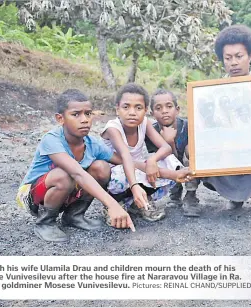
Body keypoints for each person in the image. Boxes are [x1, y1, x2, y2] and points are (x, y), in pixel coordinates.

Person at [182, 24, 251, 216]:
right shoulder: (215, 88)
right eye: (228, 58)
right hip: (229, 150)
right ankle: (234, 197)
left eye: (239, 56)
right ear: (222, 60)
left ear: (250, 56)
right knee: (195, 152)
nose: (233, 63)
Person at [16, 89, 136, 243]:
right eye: (76, 114)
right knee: (64, 175)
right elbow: (78, 173)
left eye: (88, 113)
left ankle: (74, 216)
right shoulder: (52, 140)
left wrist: (158, 169)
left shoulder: (92, 144)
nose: (84, 119)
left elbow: (123, 161)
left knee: (102, 167)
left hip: (65, 189)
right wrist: (112, 204)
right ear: (60, 119)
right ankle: (45, 222)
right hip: (32, 197)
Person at [101, 83, 192, 223]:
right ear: (117, 109)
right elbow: (126, 158)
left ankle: (138, 202)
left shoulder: (144, 122)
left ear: (145, 111)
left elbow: (166, 148)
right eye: (126, 107)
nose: (132, 112)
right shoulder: (113, 128)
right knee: (122, 174)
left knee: (170, 160)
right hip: (117, 173)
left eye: (138, 108)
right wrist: (170, 175)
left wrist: (152, 160)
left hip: (138, 169)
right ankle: (113, 204)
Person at [144, 89, 200, 217]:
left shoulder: (188, 127)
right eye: (159, 108)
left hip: (188, 166)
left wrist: (171, 142)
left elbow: (192, 156)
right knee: (159, 161)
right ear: (152, 113)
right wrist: (168, 142)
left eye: (169, 106)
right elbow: (164, 160)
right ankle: (175, 195)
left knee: (190, 153)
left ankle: (191, 196)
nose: (164, 111)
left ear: (177, 109)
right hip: (170, 168)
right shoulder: (151, 132)